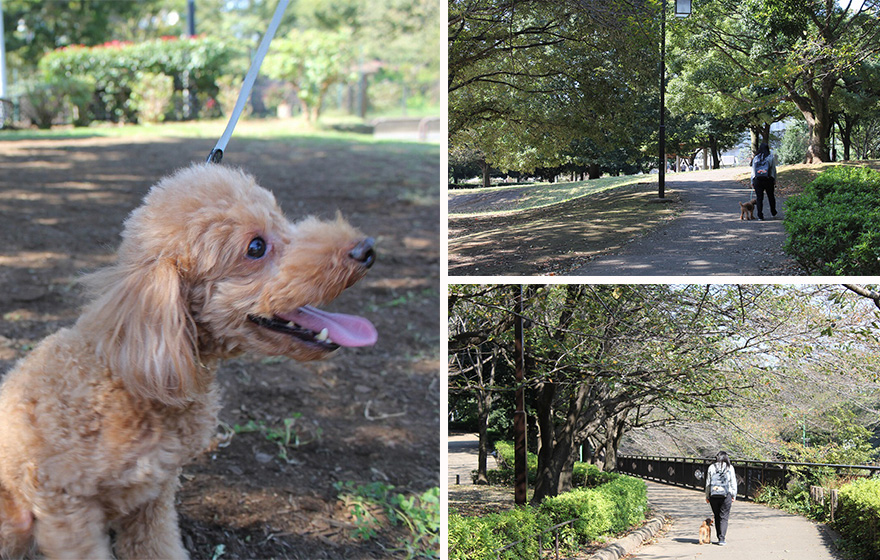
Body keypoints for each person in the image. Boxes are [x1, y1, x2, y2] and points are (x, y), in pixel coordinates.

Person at [705, 451, 737, 546]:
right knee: (724, 517)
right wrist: (733, 495)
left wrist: (707, 495)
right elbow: (733, 483)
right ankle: (722, 539)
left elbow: (708, 483)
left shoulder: (711, 467)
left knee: (717, 515)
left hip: (713, 495)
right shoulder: (730, 468)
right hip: (726, 495)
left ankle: (719, 536)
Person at [751, 143, 778, 220]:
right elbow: (773, 169)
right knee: (771, 196)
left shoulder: (756, 158)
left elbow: (753, 170)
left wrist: (752, 181)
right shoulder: (770, 157)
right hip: (768, 179)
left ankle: (760, 215)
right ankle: (773, 212)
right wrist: (774, 179)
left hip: (758, 180)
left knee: (759, 198)